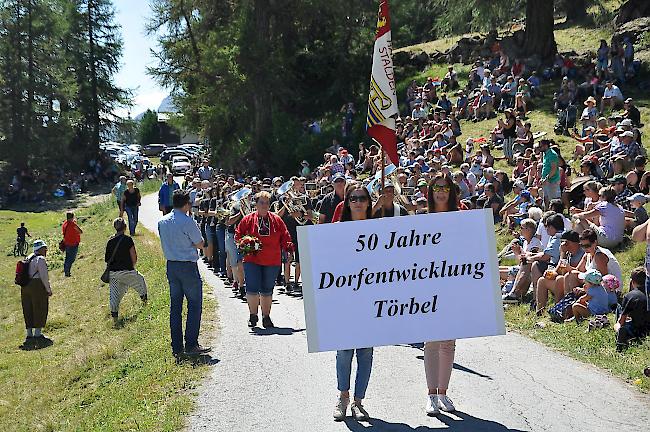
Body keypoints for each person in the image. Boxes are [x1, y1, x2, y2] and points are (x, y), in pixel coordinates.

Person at [333, 183, 375, 422]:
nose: (358, 202)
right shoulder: (337, 230)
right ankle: (343, 396)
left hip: (371, 299)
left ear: (368, 202)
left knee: (366, 353)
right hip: (345, 298)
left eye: (362, 198)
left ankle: (359, 401)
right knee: (344, 352)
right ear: (347, 203)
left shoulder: (380, 229)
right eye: (353, 198)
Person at [158, 190, 211, 358]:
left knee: (175, 307)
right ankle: (191, 344)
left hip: (171, 265)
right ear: (187, 204)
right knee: (194, 305)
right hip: (187, 265)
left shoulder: (162, 221)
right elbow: (200, 244)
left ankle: (177, 347)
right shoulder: (188, 221)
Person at [424, 173, 458, 415]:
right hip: (428, 285)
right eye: (436, 187)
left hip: (454, 284)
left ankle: (443, 393)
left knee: (449, 342)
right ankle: (431, 395)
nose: (441, 191)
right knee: (431, 341)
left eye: (445, 187)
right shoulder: (422, 220)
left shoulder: (461, 218)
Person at [235, 191, 293, 329]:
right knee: (252, 288)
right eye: (262, 202)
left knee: (267, 290)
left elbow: (285, 235)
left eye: (267, 203)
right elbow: (238, 234)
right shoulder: (248, 219)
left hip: (272, 260)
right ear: (256, 204)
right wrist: (243, 244)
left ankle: (266, 317)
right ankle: (253, 315)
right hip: (252, 259)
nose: (265, 205)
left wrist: (289, 249)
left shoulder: (276, 219)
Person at [105, 218, 148, 324]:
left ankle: (114, 316)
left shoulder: (110, 241)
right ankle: (145, 303)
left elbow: (107, 259)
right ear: (125, 227)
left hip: (113, 273)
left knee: (114, 294)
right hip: (126, 270)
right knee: (140, 281)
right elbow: (134, 256)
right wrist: (132, 268)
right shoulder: (128, 239)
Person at [19, 240, 52, 349]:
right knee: (40, 306)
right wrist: (48, 289)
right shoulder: (40, 259)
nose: (46, 250)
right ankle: (37, 333)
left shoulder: (29, 257)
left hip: (25, 286)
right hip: (37, 285)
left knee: (28, 307)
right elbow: (44, 276)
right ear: (41, 249)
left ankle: (29, 334)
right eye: (45, 248)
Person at [616, 267, 650, 351]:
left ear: (632, 281)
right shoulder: (647, 294)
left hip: (636, 330)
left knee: (618, 310)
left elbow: (622, 320)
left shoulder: (631, 296)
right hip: (647, 329)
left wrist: (618, 324)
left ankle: (621, 334)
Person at [62, 212, 82, 277]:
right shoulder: (73, 224)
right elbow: (80, 231)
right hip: (73, 244)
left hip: (67, 243)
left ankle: (66, 271)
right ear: (72, 217)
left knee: (67, 258)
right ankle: (67, 272)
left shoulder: (65, 223)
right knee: (72, 259)